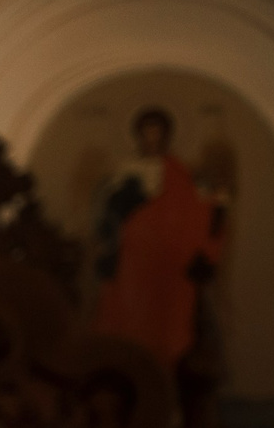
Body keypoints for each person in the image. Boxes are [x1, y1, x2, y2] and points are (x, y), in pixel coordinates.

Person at [91, 106, 228, 372]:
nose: (152, 139)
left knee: (166, 323)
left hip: (166, 263)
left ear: (166, 136)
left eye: (158, 134)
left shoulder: (177, 171)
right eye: (147, 134)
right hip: (132, 260)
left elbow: (191, 208)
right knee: (128, 320)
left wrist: (216, 206)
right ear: (138, 136)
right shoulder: (125, 169)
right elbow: (109, 214)